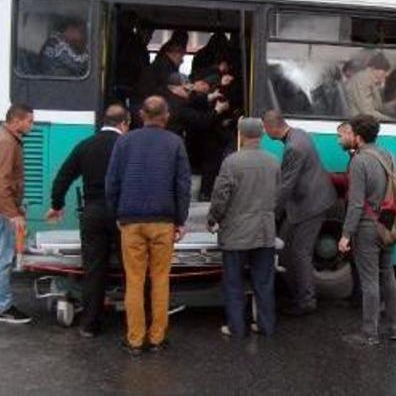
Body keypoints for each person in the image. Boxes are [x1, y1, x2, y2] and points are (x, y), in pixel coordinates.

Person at [106, 96, 192, 355]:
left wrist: (117, 215)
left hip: (131, 221)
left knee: (134, 281)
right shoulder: (176, 143)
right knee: (160, 280)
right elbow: (183, 185)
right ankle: (156, 339)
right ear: (166, 116)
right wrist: (181, 219)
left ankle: (134, 340)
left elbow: (112, 183)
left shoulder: (124, 141)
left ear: (141, 115)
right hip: (163, 222)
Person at [45, 105, 130, 337]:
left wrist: (57, 204)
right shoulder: (126, 145)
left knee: (94, 269)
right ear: (124, 123)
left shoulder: (85, 145)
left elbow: (63, 176)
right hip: (122, 213)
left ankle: (90, 324)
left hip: (92, 212)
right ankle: (134, 325)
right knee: (130, 268)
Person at [207, 118, 280, 338]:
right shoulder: (274, 161)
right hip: (265, 231)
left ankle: (237, 327)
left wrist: (213, 218)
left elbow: (221, 196)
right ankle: (266, 326)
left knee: (234, 282)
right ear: (262, 135)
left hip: (236, 232)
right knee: (264, 282)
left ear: (240, 135)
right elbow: (278, 195)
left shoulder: (232, 162)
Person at [262, 110, 336, 316]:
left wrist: (272, 214)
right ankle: (298, 293)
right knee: (285, 250)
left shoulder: (294, 147)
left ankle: (306, 300)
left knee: (299, 252)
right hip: (309, 201)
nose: (265, 134)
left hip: (310, 205)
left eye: (265, 129)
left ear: (272, 127)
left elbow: (286, 186)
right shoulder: (299, 133)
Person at [337, 114, 396, 346]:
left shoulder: (359, 162)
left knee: (369, 280)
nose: (349, 136)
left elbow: (355, 203)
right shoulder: (390, 156)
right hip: (387, 222)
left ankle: (369, 332)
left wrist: (345, 235)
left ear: (359, 137)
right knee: (388, 275)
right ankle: (394, 328)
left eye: (351, 133)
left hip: (366, 226)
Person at [0, 104, 35, 324]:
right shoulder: (7, 143)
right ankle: (3, 306)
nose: (32, 125)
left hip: (4, 207)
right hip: (2, 210)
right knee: (4, 258)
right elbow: (2, 182)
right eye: (29, 121)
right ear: (17, 120)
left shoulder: (8, 139)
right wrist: (13, 213)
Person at [334, 121, 362, 309]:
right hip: (362, 218)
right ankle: (356, 297)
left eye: (340, 136)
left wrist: (346, 234)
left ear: (353, 135)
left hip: (362, 220)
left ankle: (367, 306)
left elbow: (356, 197)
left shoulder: (359, 159)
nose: (338, 141)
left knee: (364, 264)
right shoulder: (356, 156)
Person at [344, 53, 396, 119]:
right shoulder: (362, 81)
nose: (386, 75)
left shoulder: (371, 81)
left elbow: (378, 108)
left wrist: (395, 103)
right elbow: (367, 112)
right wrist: (391, 120)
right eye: (385, 71)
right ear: (373, 68)